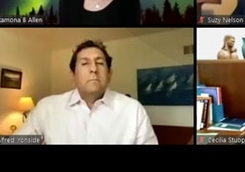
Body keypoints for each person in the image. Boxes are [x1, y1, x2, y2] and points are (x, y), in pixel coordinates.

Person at [14, 40, 158, 144]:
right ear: (73, 75)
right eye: (84, 63)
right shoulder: (47, 108)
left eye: (100, 63)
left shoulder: (133, 110)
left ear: (109, 74)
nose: (93, 69)